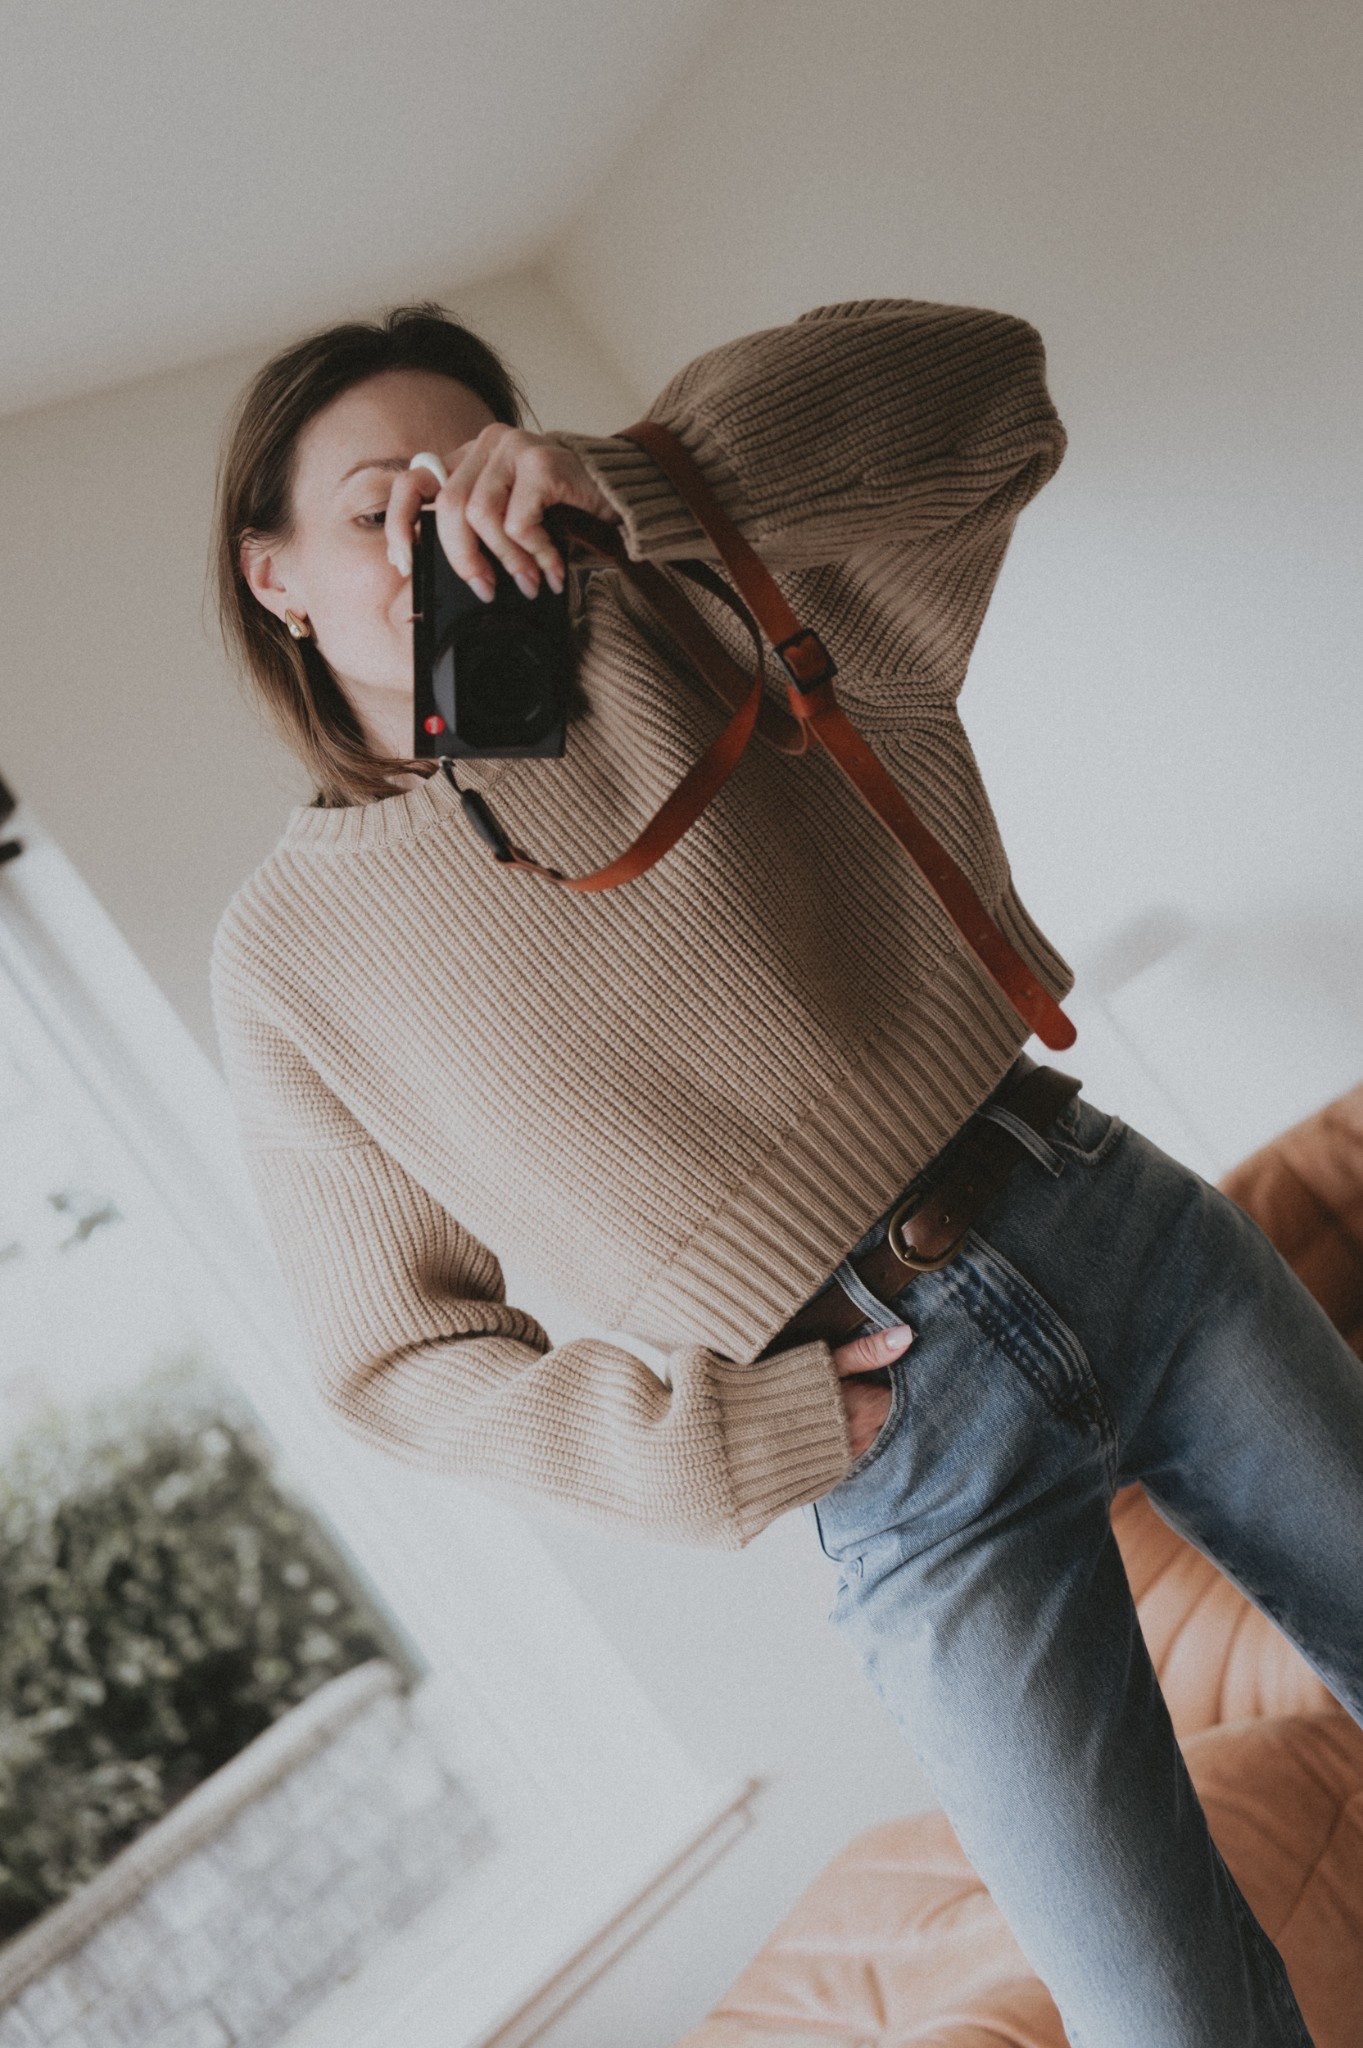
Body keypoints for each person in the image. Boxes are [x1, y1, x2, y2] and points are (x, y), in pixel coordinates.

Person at [210, 297, 1363, 2045]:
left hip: (1110, 1221)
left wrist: (631, 478)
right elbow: (391, 1358)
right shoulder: (288, 959)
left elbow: (993, 393)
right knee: (1172, 2018)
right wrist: (716, 1442)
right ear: (274, 576)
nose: (431, 538)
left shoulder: (694, 611)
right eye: (377, 511)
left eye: (464, 487)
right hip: (896, 1450)